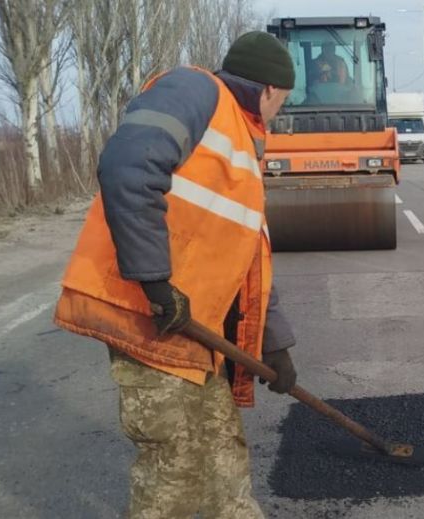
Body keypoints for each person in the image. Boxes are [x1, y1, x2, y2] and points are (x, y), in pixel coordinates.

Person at [54, 32, 298, 519]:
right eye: (283, 104)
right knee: (178, 464)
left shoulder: (242, 150)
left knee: (222, 458)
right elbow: (128, 167)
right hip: (152, 316)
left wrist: (275, 345)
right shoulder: (195, 90)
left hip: (194, 329)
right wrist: (156, 283)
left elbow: (249, 258)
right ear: (270, 90)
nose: (278, 116)